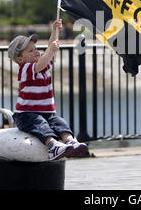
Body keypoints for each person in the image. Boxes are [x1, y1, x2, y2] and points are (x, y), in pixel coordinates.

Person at [7, 19, 88, 161]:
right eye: (31, 51)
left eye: (36, 49)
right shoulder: (25, 69)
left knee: (59, 122)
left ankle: (70, 142)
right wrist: (50, 50)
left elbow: (50, 50)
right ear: (20, 59)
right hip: (26, 115)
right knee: (40, 124)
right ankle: (52, 146)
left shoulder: (42, 65)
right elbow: (44, 59)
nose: (36, 52)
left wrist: (54, 31)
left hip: (47, 113)